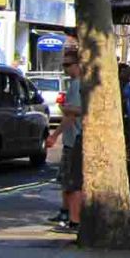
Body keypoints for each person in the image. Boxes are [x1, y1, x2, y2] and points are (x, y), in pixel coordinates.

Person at [45, 51, 84, 233]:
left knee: (72, 182)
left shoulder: (77, 85)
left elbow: (73, 114)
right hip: (72, 139)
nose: (65, 69)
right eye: (63, 65)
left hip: (76, 138)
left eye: (68, 65)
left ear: (78, 65)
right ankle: (65, 212)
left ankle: (73, 220)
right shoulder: (75, 84)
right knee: (66, 179)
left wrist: (55, 135)